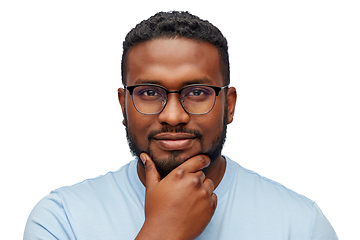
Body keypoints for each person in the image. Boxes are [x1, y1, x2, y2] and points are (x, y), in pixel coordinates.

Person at [24, 11, 338, 240]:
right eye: (149, 92)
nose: (173, 116)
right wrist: (163, 229)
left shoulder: (301, 225)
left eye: (197, 92)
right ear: (124, 105)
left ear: (229, 105)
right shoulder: (61, 220)